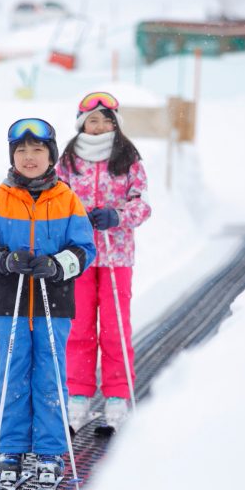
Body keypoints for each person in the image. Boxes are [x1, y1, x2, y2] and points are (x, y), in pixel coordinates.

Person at [0, 117, 96, 486]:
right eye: (21, 150)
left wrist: (57, 265)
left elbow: (85, 249)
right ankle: (10, 449)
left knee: (50, 378)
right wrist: (3, 260)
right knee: (14, 376)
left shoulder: (68, 200)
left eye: (37, 149)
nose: (29, 156)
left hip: (54, 305)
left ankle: (50, 451)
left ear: (51, 155)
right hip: (11, 304)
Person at [57, 91, 152, 432]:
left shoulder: (127, 159)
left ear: (115, 124)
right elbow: (56, 201)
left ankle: (117, 396)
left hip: (116, 255)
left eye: (106, 120)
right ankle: (78, 396)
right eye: (92, 120)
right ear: (82, 124)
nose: (99, 127)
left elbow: (142, 205)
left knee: (114, 327)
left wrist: (118, 215)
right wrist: (75, 217)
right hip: (78, 256)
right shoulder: (67, 162)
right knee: (79, 327)